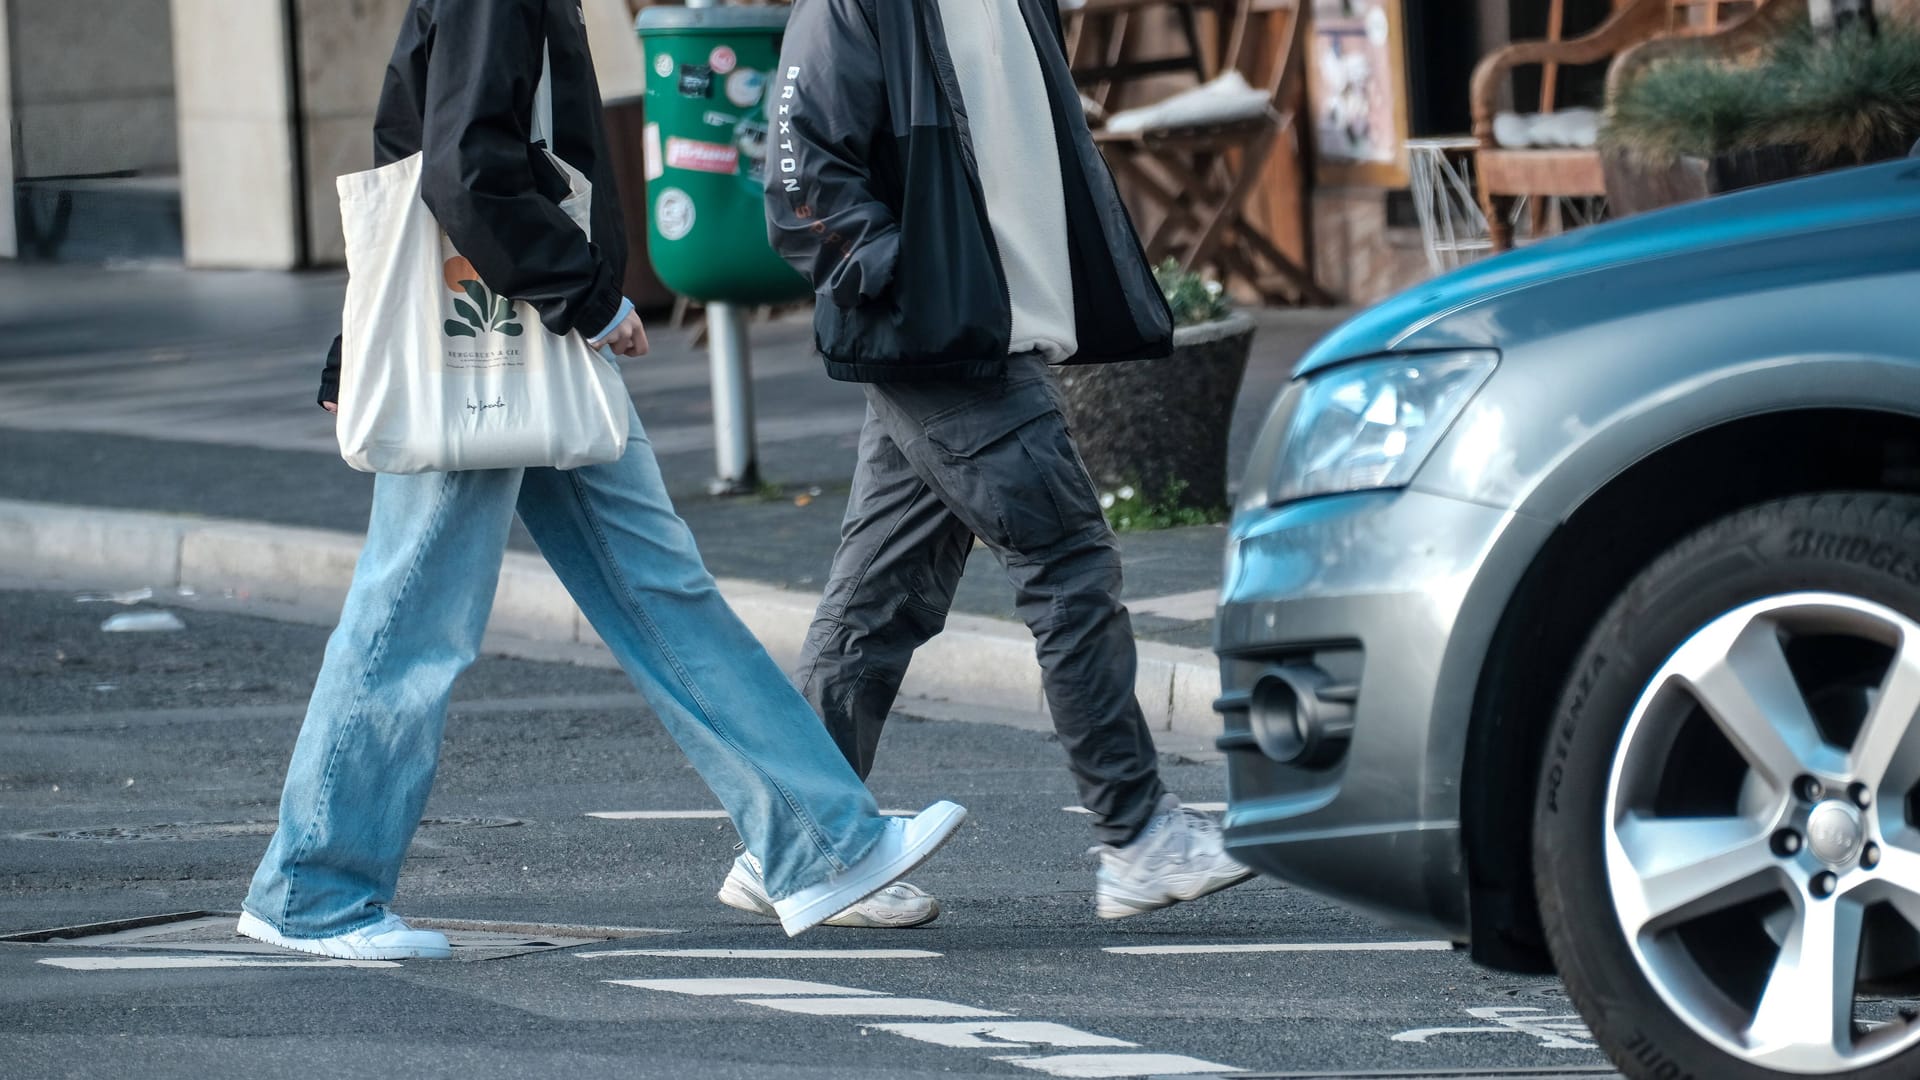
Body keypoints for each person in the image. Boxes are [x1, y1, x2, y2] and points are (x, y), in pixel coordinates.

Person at [236, 0, 965, 961]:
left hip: (520, 335)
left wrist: (363, 344)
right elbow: (459, 167)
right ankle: (312, 891)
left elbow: (415, 146)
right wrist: (583, 295)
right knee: (413, 615)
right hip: (494, 340)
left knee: (662, 594)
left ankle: (821, 843)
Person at [728, 0, 1254, 928]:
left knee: (879, 600)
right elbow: (801, 178)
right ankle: (1137, 837)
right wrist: (916, 287)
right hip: (942, 343)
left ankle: (799, 843)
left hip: (985, 331)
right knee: (1068, 561)